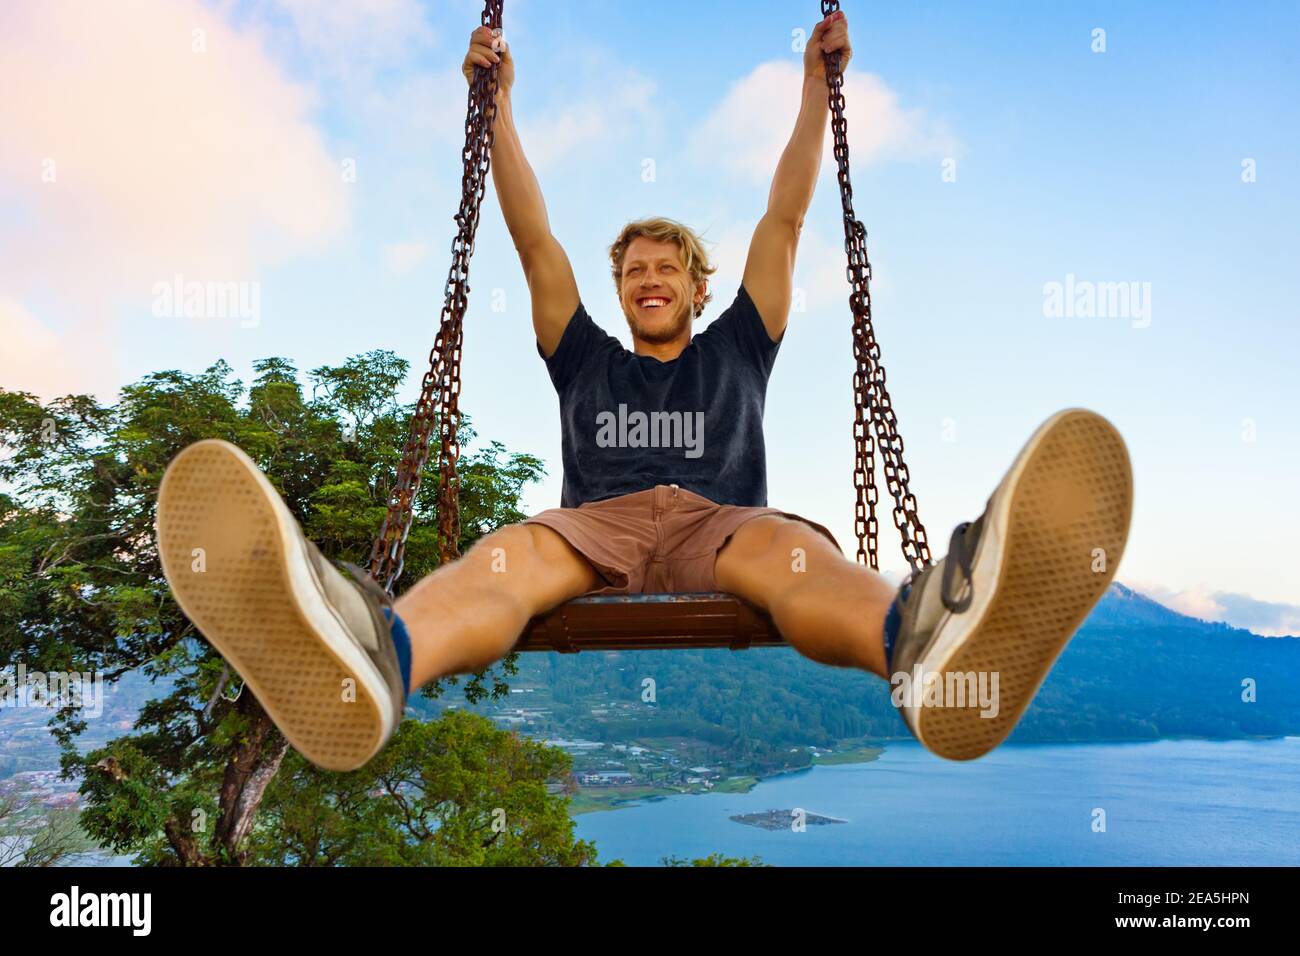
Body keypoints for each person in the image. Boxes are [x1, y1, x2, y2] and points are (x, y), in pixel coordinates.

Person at [154, 12, 1133, 772]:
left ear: (699, 286)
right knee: (507, 560)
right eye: (633, 270)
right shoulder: (582, 353)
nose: (649, 279)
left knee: (794, 552)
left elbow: (785, 220)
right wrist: (496, 107)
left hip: (726, 526)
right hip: (596, 528)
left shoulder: (742, 341)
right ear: (620, 290)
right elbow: (533, 236)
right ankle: (377, 654)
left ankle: (921, 642)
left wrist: (811, 89)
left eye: (668, 266)